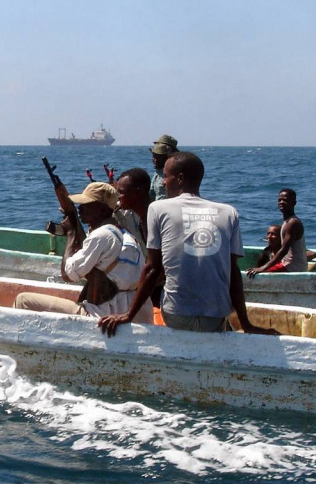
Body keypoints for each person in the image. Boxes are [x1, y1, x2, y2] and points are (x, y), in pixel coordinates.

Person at [98, 151, 277, 337]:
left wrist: (128, 315)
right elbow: (233, 272)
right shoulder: (229, 212)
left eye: (166, 176)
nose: (162, 182)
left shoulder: (158, 208)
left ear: (180, 178)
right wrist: (246, 324)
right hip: (216, 315)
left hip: (177, 313)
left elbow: (152, 269)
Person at [14, 181, 149, 322]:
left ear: (103, 210)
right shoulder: (126, 234)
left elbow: (67, 275)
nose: (80, 208)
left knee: (23, 300)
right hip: (134, 314)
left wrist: (72, 232)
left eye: (86, 204)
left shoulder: (101, 235)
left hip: (105, 316)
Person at [246, 188, 307, 277]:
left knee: (259, 275)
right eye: (279, 200)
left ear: (294, 203)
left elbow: (284, 250)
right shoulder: (287, 221)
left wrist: (263, 268)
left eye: (285, 200)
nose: (281, 202)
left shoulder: (293, 223)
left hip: (293, 267)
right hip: (287, 264)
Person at [113, 167, 151, 247]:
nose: (118, 197)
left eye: (121, 192)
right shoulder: (141, 218)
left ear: (137, 193)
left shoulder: (154, 219)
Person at [149, 134, 178, 201]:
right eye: (154, 156)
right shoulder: (157, 174)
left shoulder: (173, 174)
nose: (155, 160)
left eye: (158, 157)